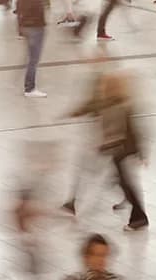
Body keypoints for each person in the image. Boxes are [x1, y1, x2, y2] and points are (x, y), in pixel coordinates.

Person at [62, 69, 148, 231]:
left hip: (121, 149)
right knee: (122, 181)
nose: (103, 88)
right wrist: (71, 113)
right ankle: (137, 214)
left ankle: (139, 216)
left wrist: (141, 152)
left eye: (107, 86)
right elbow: (90, 107)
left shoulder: (122, 105)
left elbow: (131, 131)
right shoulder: (107, 101)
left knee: (123, 182)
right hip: (116, 150)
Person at [19, 0, 48, 97]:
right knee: (33, 59)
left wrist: (20, 26)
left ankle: (29, 86)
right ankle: (30, 88)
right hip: (35, 27)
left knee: (31, 58)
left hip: (26, 25)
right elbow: (38, 8)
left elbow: (19, 7)